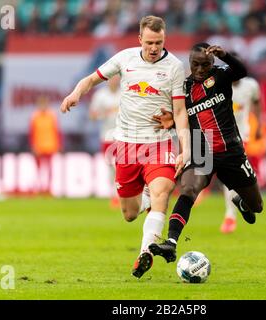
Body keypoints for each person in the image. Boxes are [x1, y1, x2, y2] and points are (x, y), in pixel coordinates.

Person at [60, 16, 190, 278]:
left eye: (160, 42)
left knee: (162, 191)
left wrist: (185, 148)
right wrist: (75, 94)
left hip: (159, 143)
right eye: (150, 42)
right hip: (127, 144)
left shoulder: (175, 67)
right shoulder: (124, 58)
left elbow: (180, 111)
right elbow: (90, 79)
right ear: (140, 39)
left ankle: (146, 251)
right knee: (130, 213)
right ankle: (145, 201)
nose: (154, 48)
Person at [149, 43, 263, 263]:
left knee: (256, 206)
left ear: (212, 63)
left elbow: (242, 72)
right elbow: (183, 119)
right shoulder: (182, 89)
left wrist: (226, 56)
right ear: (189, 64)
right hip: (203, 149)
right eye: (195, 65)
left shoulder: (220, 77)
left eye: (205, 65)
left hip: (231, 151)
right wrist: (171, 122)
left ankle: (240, 202)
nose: (200, 69)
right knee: (189, 190)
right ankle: (171, 243)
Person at [220, 52, 263, 234]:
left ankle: (230, 215)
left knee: (229, 176)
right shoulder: (220, 84)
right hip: (218, 135)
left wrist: (258, 124)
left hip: (240, 136)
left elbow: (257, 102)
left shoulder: (251, 85)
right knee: (207, 171)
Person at [89, 75, 121, 208]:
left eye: (116, 77)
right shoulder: (100, 95)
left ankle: (121, 195)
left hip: (123, 135)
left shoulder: (125, 93)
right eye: (112, 78)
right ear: (107, 80)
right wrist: (104, 113)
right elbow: (92, 115)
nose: (114, 80)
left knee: (122, 166)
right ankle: (114, 195)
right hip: (107, 136)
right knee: (111, 167)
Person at [29, 95, 62, 194]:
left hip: (50, 146)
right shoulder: (35, 117)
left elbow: (57, 131)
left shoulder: (52, 116)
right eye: (41, 104)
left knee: (49, 168)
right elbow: (32, 133)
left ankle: (48, 188)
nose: (43, 106)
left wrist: (58, 144)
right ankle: (39, 187)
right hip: (39, 146)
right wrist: (33, 146)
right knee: (38, 169)